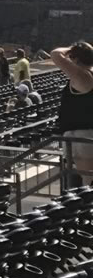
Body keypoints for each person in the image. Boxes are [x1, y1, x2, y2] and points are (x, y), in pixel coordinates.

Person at [52, 42, 93, 183]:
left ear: (75, 59)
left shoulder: (82, 75)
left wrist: (71, 49)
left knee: (87, 181)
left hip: (82, 138)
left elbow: (55, 54)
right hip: (85, 136)